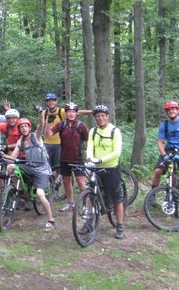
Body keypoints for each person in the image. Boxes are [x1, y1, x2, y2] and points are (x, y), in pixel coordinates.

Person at [6, 117, 55, 231]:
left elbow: (41, 125)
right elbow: (13, 159)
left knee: (40, 194)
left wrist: (40, 114)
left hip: (42, 169)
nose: (23, 128)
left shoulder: (35, 136)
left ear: (29, 127)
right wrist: (2, 155)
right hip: (29, 166)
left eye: (25, 126)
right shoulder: (20, 141)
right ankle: (20, 190)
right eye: (21, 127)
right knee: (10, 167)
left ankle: (51, 220)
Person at [85, 104, 125, 239]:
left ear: (107, 116)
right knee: (90, 194)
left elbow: (117, 152)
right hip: (96, 167)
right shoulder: (93, 131)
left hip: (111, 168)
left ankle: (119, 225)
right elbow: (90, 147)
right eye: (98, 116)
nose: (100, 118)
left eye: (103, 116)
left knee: (116, 197)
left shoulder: (115, 131)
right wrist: (90, 158)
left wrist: (101, 160)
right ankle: (88, 222)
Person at [44, 102, 89, 213]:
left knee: (80, 181)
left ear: (76, 113)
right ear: (66, 113)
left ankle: (86, 205)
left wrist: (88, 155)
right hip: (64, 158)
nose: (71, 114)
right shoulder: (62, 124)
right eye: (69, 112)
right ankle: (70, 203)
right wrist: (49, 122)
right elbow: (48, 134)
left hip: (78, 159)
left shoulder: (81, 126)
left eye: (73, 112)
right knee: (66, 181)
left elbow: (88, 140)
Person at [150, 101, 179, 195]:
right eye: (169, 110)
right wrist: (164, 155)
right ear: (167, 112)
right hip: (168, 150)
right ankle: (152, 194)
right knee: (158, 171)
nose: (171, 111)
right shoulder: (164, 125)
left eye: (173, 109)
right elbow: (160, 142)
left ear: (177, 110)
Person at [40, 93, 67, 184]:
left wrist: (91, 112)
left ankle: (56, 184)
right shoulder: (44, 113)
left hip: (59, 143)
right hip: (47, 143)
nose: (51, 102)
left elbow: (75, 113)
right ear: (47, 103)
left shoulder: (61, 111)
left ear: (56, 102)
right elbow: (42, 126)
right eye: (49, 101)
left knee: (58, 167)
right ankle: (50, 185)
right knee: (47, 166)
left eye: (52, 100)